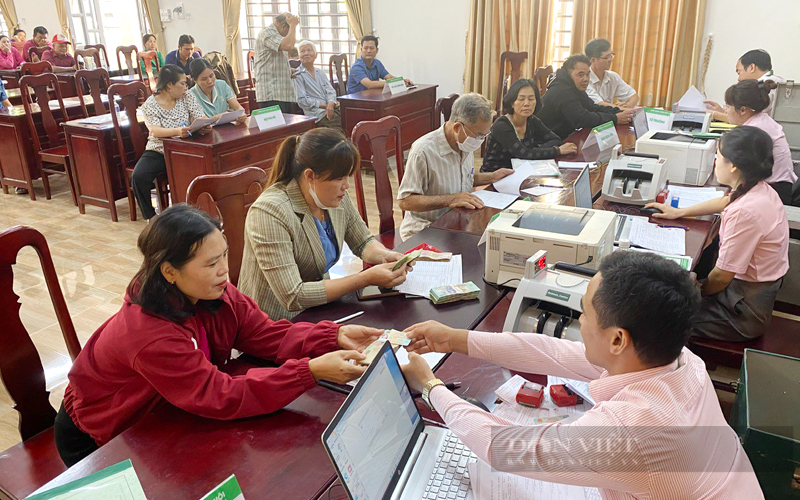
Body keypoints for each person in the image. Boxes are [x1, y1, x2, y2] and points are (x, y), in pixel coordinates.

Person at [400, 250, 764, 499]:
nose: (580, 322)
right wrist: (454, 338)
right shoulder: (679, 359)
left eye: (585, 313)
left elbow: (503, 448)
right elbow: (552, 351)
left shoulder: (634, 430)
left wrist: (430, 386)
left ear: (618, 339)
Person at [53, 204, 382, 467]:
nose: (225, 269)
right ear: (169, 271)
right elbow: (217, 394)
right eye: (211, 263)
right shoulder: (148, 333)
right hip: (105, 435)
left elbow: (265, 334)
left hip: (169, 408)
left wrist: (333, 336)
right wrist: (308, 371)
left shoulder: (213, 291)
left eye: (224, 254)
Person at [238, 128, 411, 320]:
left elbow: (362, 242)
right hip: (275, 321)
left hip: (319, 309)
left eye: (347, 176)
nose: (346, 185)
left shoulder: (331, 196)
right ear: (310, 176)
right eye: (339, 178)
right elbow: (292, 295)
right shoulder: (270, 212)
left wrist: (386, 255)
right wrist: (365, 278)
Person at [646, 126, 788, 342]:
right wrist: (680, 212)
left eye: (718, 156)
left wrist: (693, 295)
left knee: (659, 319)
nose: (714, 160)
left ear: (733, 166)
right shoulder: (757, 189)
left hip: (741, 312)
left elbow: (722, 276)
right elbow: (726, 201)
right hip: (741, 292)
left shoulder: (746, 211)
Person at [396, 93, 511, 241]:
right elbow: (405, 201)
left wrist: (492, 177)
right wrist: (450, 199)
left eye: (484, 135)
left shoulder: (464, 142)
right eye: (478, 135)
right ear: (457, 127)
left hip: (458, 223)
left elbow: (463, 178)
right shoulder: (423, 151)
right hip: (426, 228)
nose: (480, 141)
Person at [132, 65, 209, 220]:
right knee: (138, 176)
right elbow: (154, 130)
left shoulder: (187, 96)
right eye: (182, 84)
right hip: (159, 149)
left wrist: (202, 126)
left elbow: (200, 116)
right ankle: (152, 217)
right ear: (169, 85)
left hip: (186, 147)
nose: (186, 88)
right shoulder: (150, 104)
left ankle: (197, 212)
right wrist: (176, 131)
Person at [722, 79, 796, 204]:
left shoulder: (755, 130)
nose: (725, 110)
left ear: (743, 110)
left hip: (775, 191)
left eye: (728, 106)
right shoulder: (761, 120)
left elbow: (738, 168)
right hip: (777, 186)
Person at [481, 78, 577, 172]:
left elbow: (555, 139)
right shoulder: (501, 125)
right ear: (512, 103)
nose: (527, 104)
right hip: (494, 177)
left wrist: (533, 151)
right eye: (521, 99)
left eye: (531, 99)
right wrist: (557, 151)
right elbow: (523, 154)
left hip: (521, 172)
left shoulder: (531, 120)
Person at [538, 54, 632, 139]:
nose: (586, 79)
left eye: (588, 74)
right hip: (547, 142)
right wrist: (615, 118)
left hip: (564, 137)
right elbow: (583, 119)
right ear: (568, 74)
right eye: (581, 75)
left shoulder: (574, 86)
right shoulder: (562, 91)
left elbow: (592, 108)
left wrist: (621, 112)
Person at [706, 49, 785, 120]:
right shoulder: (779, 82)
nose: (739, 79)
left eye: (739, 72)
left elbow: (746, 120)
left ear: (751, 68)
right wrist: (723, 112)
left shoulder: (759, 87)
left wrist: (714, 114)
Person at [254, 12, 299, 113]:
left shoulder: (276, 35)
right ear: (283, 26)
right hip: (271, 95)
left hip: (280, 94)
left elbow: (273, 62)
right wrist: (293, 25)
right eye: (289, 30)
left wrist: (288, 70)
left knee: (284, 128)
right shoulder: (267, 32)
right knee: (275, 128)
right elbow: (289, 45)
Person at [293, 40, 340, 128]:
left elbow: (331, 91)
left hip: (331, 109)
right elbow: (302, 101)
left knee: (351, 117)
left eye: (309, 50)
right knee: (341, 126)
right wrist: (325, 106)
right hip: (317, 114)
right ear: (299, 56)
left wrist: (330, 104)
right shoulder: (297, 74)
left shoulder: (320, 72)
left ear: (316, 55)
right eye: (302, 51)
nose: (306, 53)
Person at [346, 35, 412, 94]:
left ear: (377, 50)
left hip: (372, 96)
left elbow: (389, 77)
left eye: (371, 48)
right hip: (355, 100)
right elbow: (369, 84)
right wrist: (392, 83)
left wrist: (402, 81)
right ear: (361, 50)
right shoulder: (357, 67)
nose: (368, 51)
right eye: (365, 48)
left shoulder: (377, 63)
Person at [584, 38, 638, 108]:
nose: (610, 60)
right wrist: (619, 108)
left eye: (611, 55)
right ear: (593, 60)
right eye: (606, 57)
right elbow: (599, 104)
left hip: (611, 116)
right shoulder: (585, 79)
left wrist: (627, 105)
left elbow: (634, 96)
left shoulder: (613, 76)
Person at [189, 58, 247, 123]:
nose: (210, 81)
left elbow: (238, 107)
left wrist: (241, 114)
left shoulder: (222, 85)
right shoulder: (191, 95)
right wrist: (218, 117)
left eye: (211, 76)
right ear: (195, 80)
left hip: (226, 127)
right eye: (204, 79)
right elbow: (197, 122)